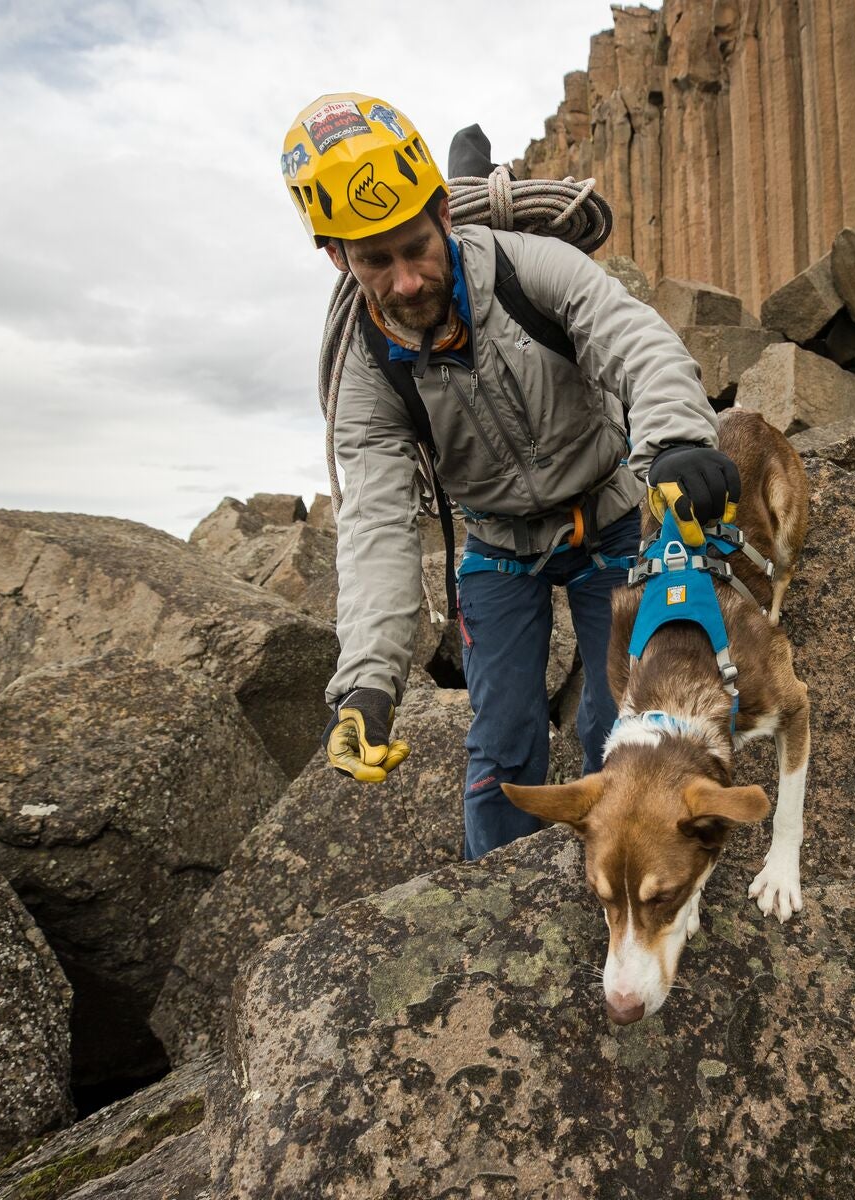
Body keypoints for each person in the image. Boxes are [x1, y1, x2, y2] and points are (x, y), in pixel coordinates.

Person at [282, 93, 739, 860]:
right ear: (337, 257)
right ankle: (493, 902)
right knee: (502, 744)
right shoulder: (364, 375)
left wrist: (679, 442)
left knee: (617, 722)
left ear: (444, 213)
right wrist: (367, 680)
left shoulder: (531, 271)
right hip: (496, 545)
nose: (403, 282)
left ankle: (619, 881)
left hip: (611, 513)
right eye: (374, 261)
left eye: (415, 247)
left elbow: (636, 342)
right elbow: (376, 526)